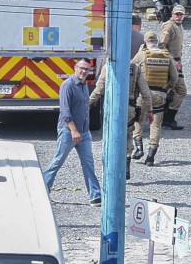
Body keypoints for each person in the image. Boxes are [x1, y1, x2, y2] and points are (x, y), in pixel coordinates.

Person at [42, 58, 101, 206]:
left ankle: (95, 196)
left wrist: (84, 131)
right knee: (57, 161)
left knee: (88, 164)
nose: (83, 72)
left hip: (84, 133)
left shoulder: (84, 86)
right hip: (69, 132)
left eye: (87, 69)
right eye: (81, 68)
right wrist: (74, 130)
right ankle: (42, 189)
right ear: (75, 68)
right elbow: (65, 111)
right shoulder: (67, 85)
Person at [89, 61, 153, 180]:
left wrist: (88, 103)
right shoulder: (135, 68)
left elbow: (99, 89)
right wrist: (150, 109)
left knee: (111, 137)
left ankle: (111, 169)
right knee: (128, 136)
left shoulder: (108, 66)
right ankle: (126, 167)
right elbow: (145, 91)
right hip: (129, 108)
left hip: (112, 108)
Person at [131, 32, 178, 166]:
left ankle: (139, 147)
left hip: (143, 94)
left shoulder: (142, 55)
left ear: (145, 42)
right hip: (159, 95)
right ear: (157, 41)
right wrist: (167, 88)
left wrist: (138, 53)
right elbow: (174, 77)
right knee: (155, 124)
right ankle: (151, 155)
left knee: (137, 120)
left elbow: (131, 69)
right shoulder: (166, 56)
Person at [159, 4, 187, 130]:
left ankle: (165, 117)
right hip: (170, 63)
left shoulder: (179, 26)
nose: (179, 17)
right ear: (172, 14)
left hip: (176, 62)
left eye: (181, 14)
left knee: (171, 91)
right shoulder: (169, 26)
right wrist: (172, 61)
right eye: (177, 14)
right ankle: (168, 118)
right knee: (181, 90)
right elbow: (161, 46)